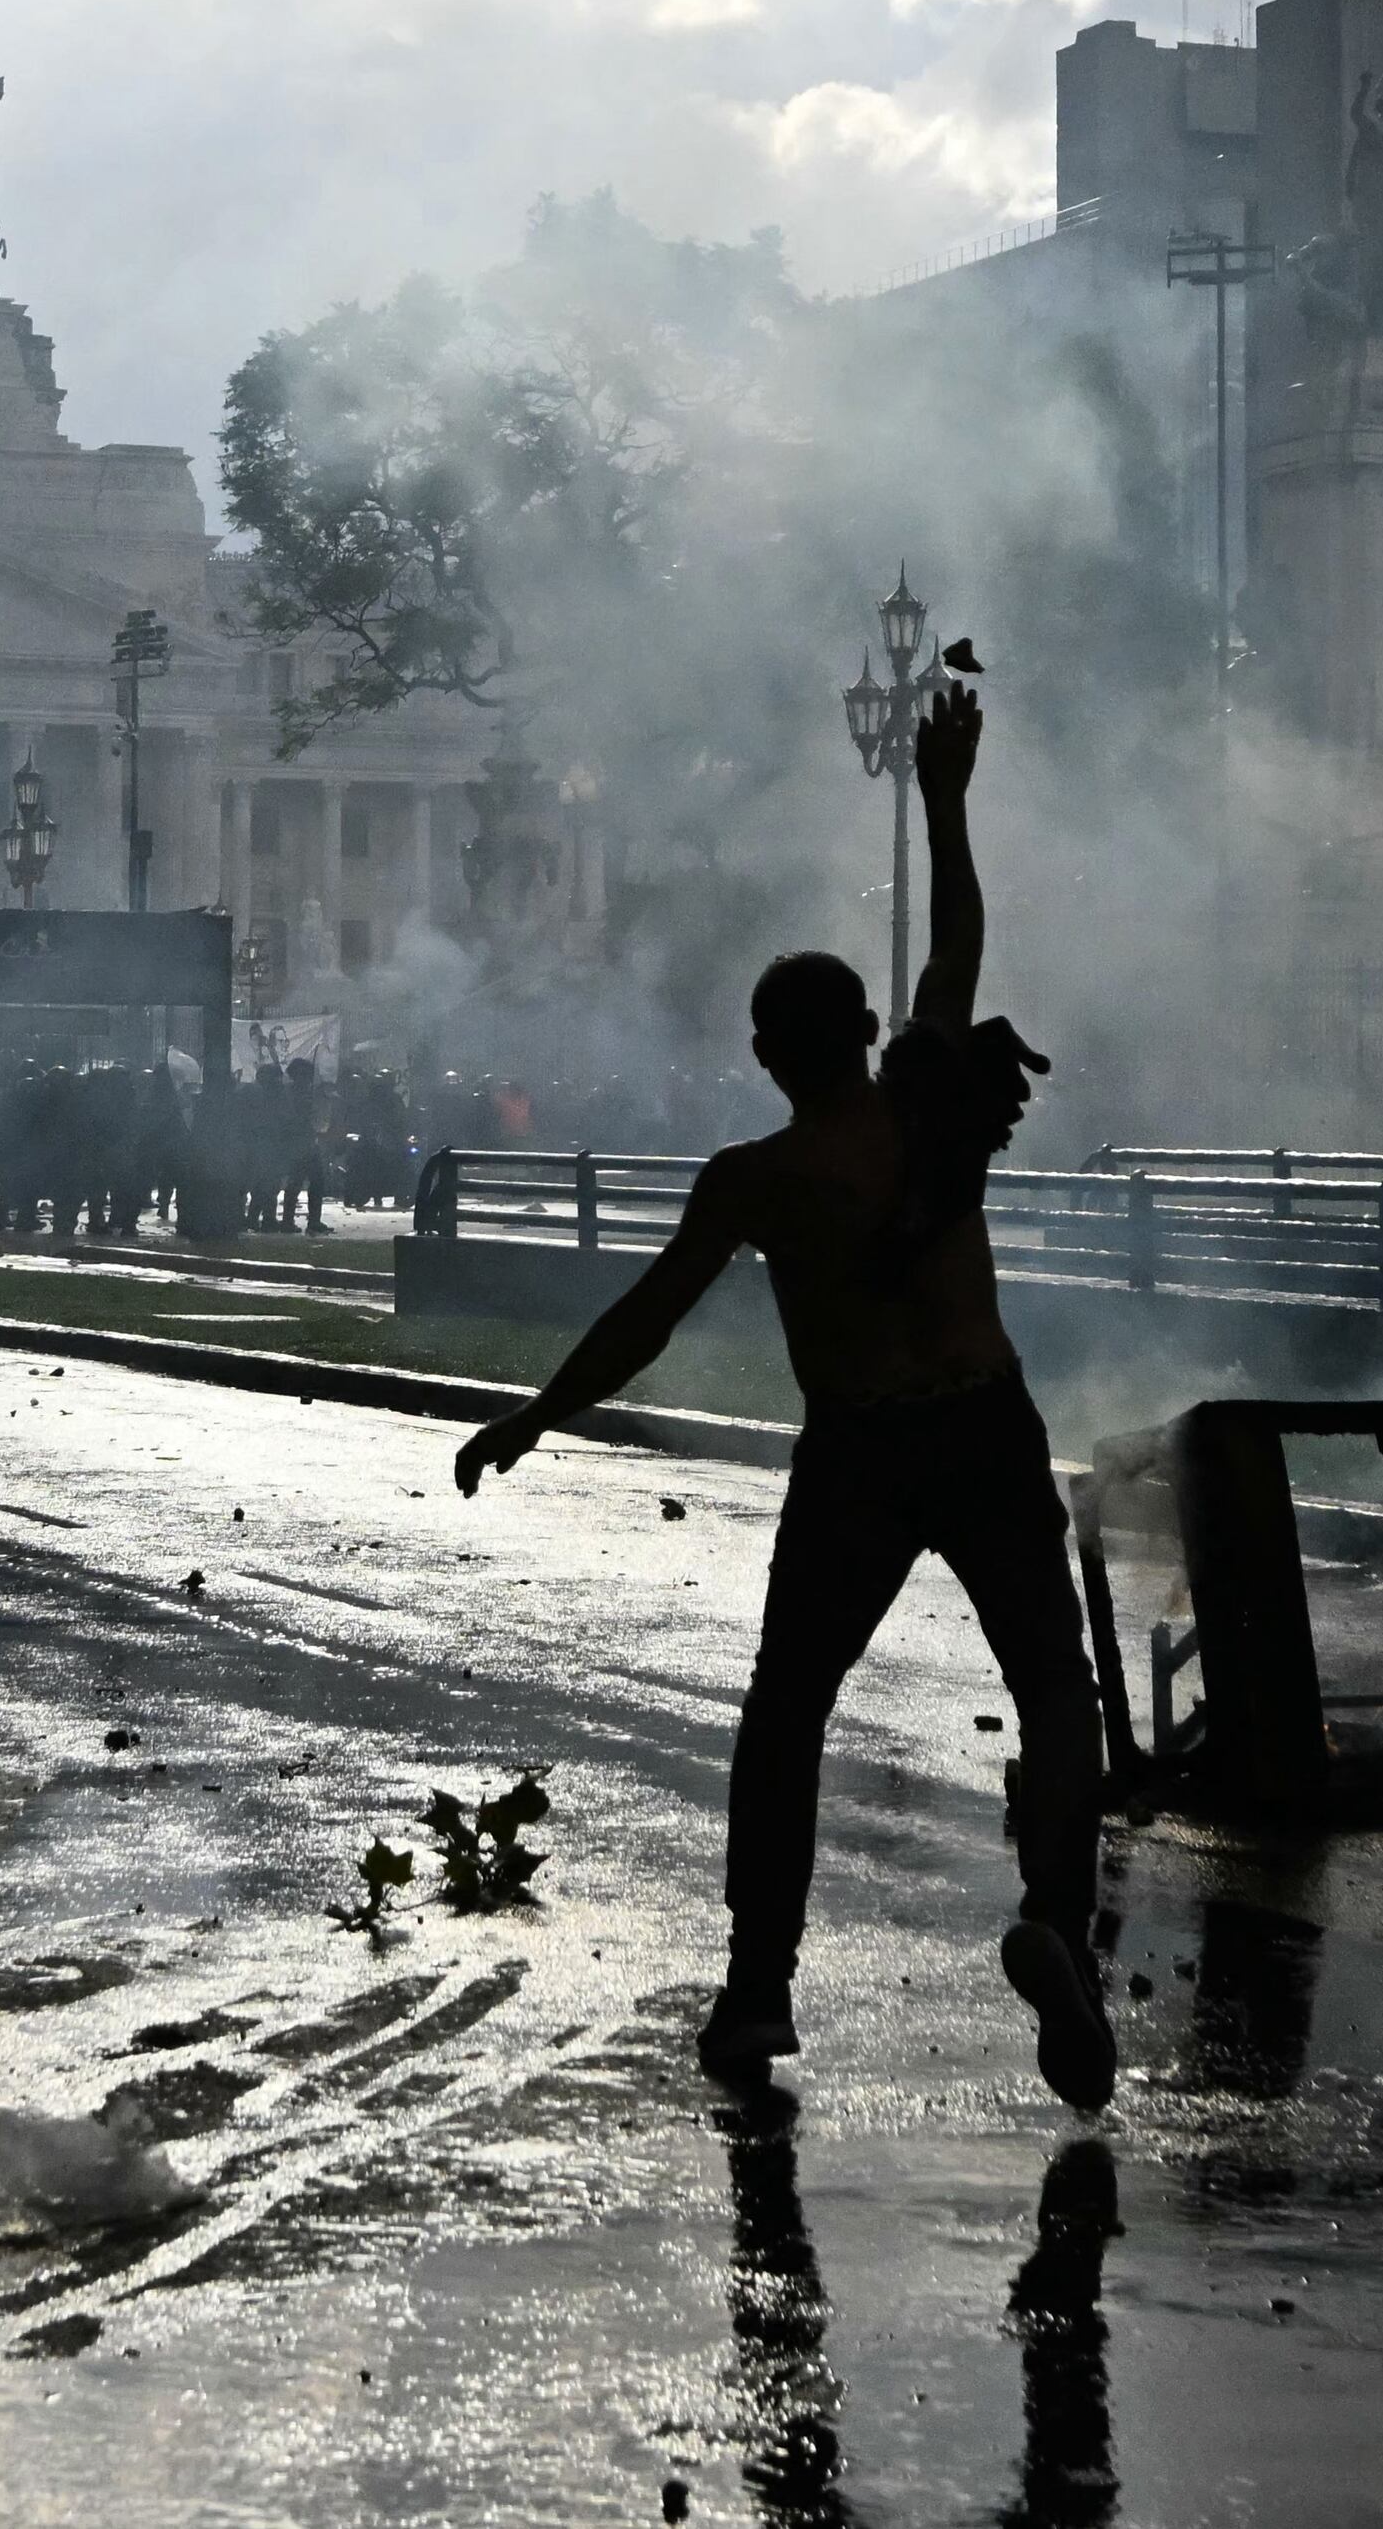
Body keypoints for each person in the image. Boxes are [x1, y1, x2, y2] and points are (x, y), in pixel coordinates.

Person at [454, 677, 1109, 2109]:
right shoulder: (931, 1101)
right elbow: (962, 938)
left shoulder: (753, 1180)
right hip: (986, 1415)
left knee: (789, 1709)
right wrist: (945, 795)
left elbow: (648, 1317)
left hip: (863, 1452)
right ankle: (1057, 1914)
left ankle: (760, 1988)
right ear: (870, 1026)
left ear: (765, 1054)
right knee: (1054, 1685)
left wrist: (537, 1416)